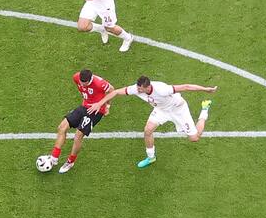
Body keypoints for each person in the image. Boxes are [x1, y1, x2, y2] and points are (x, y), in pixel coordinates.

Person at [88, 76, 216, 168]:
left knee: (194, 138)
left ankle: (204, 110)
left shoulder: (162, 89)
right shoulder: (136, 88)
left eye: (140, 89)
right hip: (161, 110)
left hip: (178, 109)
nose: (138, 91)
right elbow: (116, 92)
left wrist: (206, 89)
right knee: (147, 131)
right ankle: (151, 157)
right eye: (138, 88)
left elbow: (186, 87)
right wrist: (100, 103)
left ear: (148, 87)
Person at [49, 69, 115, 173]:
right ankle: (54, 158)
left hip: (96, 110)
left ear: (90, 79)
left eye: (85, 83)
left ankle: (70, 162)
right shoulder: (76, 77)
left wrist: (107, 106)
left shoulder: (99, 83)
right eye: (81, 83)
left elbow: (112, 90)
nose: (83, 85)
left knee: (78, 135)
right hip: (84, 106)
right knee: (62, 127)